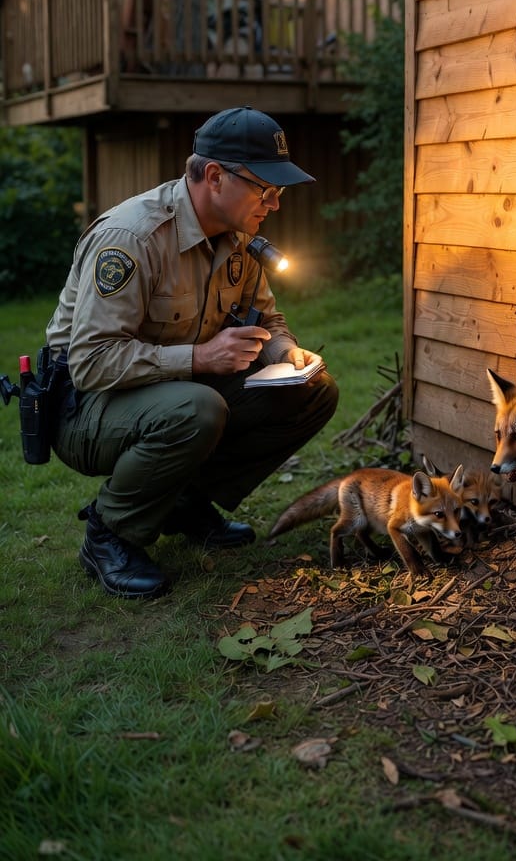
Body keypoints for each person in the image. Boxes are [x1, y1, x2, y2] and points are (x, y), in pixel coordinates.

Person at [46, 107, 339, 600]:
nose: (275, 204)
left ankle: (185, 500)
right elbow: (91, 361)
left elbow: (268, 319)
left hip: (170, 393)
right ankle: (109, 533)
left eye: (280, 191)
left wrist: (287, 352)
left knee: (313, 391)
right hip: (86, 406)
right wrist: (201, 359)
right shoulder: (131, 239)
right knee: (199, 409)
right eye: (264, 189)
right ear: (214, 176)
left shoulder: (239, 240)